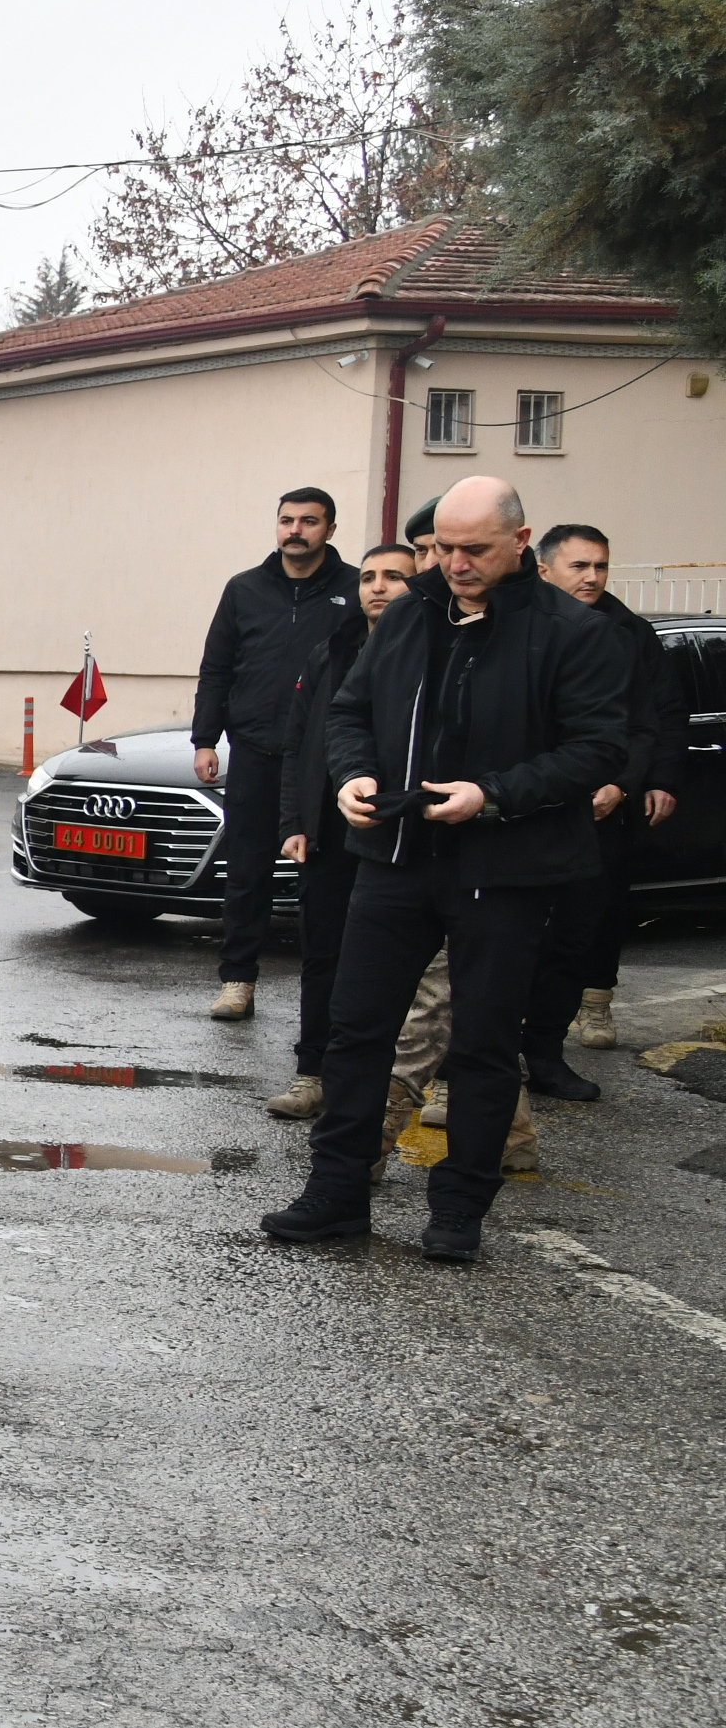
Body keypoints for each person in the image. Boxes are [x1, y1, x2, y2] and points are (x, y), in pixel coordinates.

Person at [264, 476, 631, 1263]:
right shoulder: (409, 617)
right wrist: (352, 776)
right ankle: (335, 1193)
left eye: (474, 549)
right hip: (395, 860)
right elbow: (348, 711)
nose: (454, 564)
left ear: (521, 541)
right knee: (355, 1033)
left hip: (505, 869)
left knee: (486, 1045)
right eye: (442, 548)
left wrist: (491, 795)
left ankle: (459, 1208)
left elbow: (597, 749)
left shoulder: (572, 631)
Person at [518, 522, 680, 1094]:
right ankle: (481, 1057)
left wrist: (623, 785)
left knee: (576, 935)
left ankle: (544, 1054)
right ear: (543, 568)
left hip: (596, 813)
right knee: (508, 939)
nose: (592, 577)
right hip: (522, 808)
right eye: (579, 566)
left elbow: (645, 722)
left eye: (601, 566)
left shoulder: (626, 633)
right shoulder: (513, 622)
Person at [192, 487, 362, 1024]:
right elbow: (216, 667)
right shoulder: (244, 589)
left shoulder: (356, 589)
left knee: (324, 877)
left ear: (329, 530)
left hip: (325, 761)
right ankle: (238, 980)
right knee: (246, 873)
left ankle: (335, 988)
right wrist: (205, 739)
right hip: (256, 751)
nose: (296, 530)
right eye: (287, 520)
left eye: (309, 522)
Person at [268, 540, 414, 1122]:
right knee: (323, 955)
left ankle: (399, 1084)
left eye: (395, 578)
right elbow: (298, 742)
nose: (378, 587)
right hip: (328, 831)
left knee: (397, 969)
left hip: (397, 835)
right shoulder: (330, 650)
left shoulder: (428, 648)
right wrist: (295, 821)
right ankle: (313, 1073)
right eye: (370, 577)